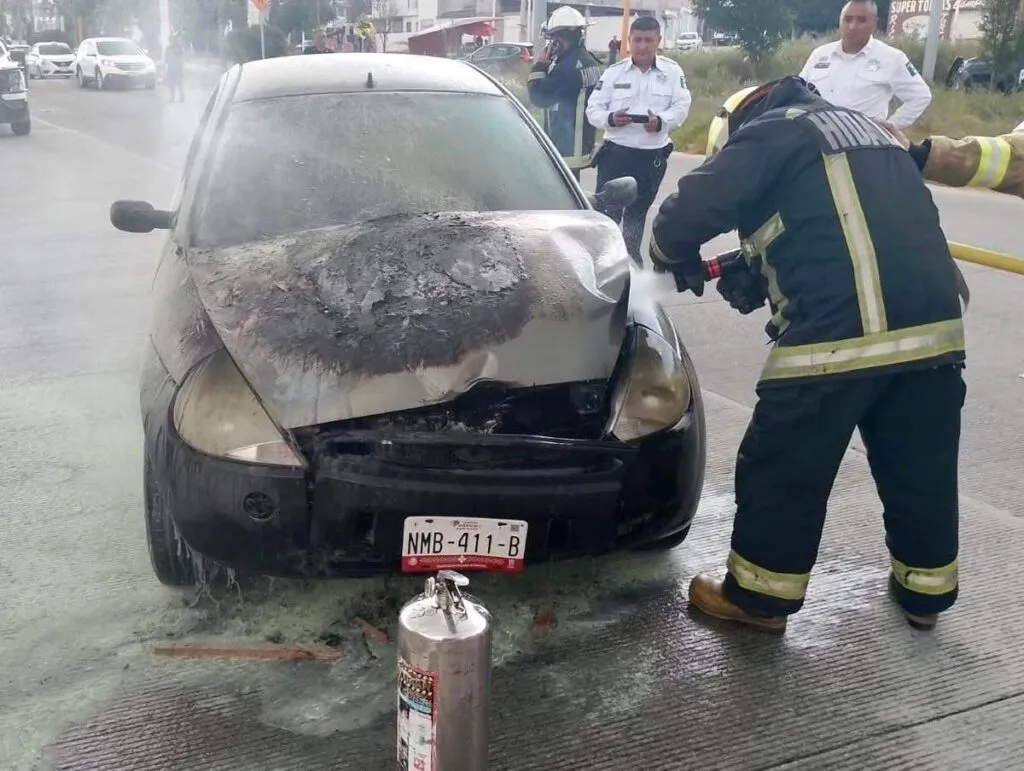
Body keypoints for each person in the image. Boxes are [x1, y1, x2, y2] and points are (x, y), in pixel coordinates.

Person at [649, 76, 967, 634]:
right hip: (934, 337)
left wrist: (668, 255)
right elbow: (843, 231)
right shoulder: (871, 133)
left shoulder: (776, 130)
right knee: (920, 468)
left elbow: (690, 208)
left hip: (837, 340)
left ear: (740, 120)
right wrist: (759, 265)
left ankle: (759, 599)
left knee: (782, 466)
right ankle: (925, 596)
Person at [585, 16, 691, 263]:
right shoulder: (613, 73)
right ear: (629, 41)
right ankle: (603, 263)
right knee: (608, 216)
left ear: (658, 42)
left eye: (648, 40)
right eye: (638, 40)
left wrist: (662, 122)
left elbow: (681, 107)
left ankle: (631, 264)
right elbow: (593, 110)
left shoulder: (672, 72)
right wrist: (611, 119)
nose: (643, 46)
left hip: (651, 157)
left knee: (636, 216)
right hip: (616, 155)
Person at [798, 0, 931, 129]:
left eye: (861, 20)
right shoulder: (820, 54)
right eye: (847, 19)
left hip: (862, 145)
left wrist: (889, 127)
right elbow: (798, 92)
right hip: (816, 138)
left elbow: (920, 96)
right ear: (840, 21)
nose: (852, 26)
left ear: (874, 23)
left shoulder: (891, 58)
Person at [526, 6, 603, 182]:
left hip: (566, 149)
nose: (550, 44)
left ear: (559, 40)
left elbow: (538, 97)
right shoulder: (588, 60)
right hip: (581, 144)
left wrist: (540, 66)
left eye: (552, 39)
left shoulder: (566, 68)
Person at [164, 36, 185, 103]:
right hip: (171, 68)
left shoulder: (178, 48)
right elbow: (166, 59)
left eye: (172, 40)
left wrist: (181, 69)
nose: (171, 41)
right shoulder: (168, 48)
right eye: (170, 40)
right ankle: (172, 97)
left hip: (177, 69)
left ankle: (182, 97)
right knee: (171, 84)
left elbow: (181, 59)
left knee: (178, 84)